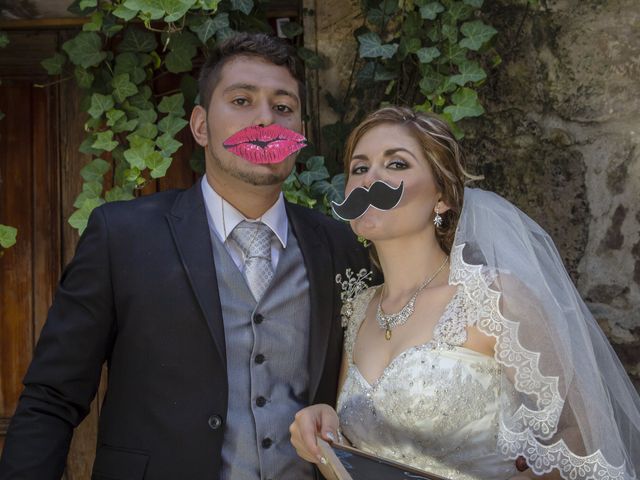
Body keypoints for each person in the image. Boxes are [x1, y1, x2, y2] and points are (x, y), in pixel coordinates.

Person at [0, 33, 370, 480]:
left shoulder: (341, 247)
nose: (264, 120)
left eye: (283, 107)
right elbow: (52, 397)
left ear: (299, 134)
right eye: (240, 100)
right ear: (200, 126)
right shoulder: (122, 236)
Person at [289, 106, 640, 480]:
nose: (369, 179)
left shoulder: (494, 296)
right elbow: (359, 458)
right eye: (360, 168)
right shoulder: (360, 308)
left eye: (396, 165)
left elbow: (583, 437)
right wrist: (324, 432)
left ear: (442, 198)